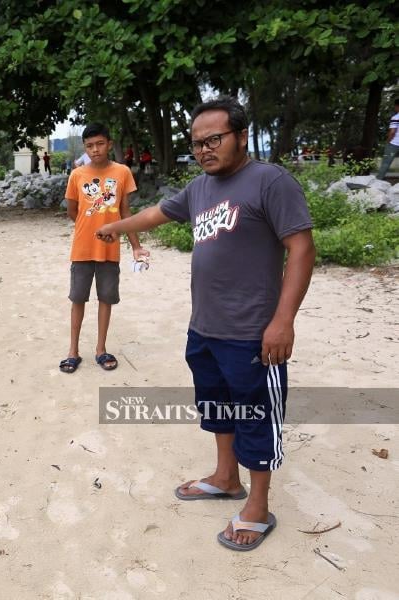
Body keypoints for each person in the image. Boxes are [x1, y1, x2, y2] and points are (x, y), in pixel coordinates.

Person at [96, 96, 315, 551]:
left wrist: (284, 321)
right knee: (216, 407)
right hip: (205, 329)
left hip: (254, 333)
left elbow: (301, 249)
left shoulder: (270, 181)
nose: (204, 150)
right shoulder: (199, 189)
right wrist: (116, 229)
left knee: (256, 415)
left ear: (241, 136)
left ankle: (258, 505)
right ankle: (225, 478)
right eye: (197, 143)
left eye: (214, 139)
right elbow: (157, 214)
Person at [59, 123, 148, 375]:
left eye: (99, 144)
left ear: (109, 143)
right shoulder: (77, 175)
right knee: (77, 298)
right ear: (85, 148)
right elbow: (72, 211)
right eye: (89, 146)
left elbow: (125, 211)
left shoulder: (122, 172)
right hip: (82, 249)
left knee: (106, 298)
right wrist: (90, 227)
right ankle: (73, 351)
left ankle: (100, 349)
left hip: (110, 250)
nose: (95, 150)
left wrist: (136, 246)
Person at [376, 97, 399, 180]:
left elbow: (392, 132)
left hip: (394, 144)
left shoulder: (396, 117)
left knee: (386, 163)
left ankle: (378, 180)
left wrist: (388, 141)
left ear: (397, 106)